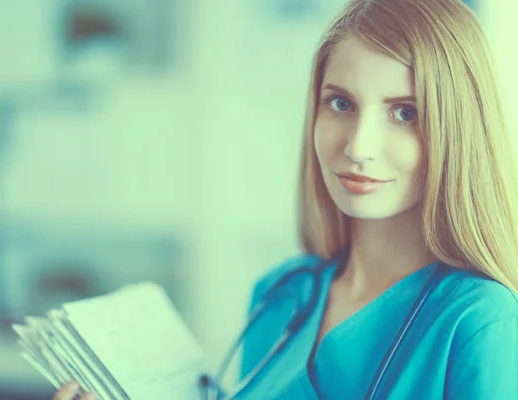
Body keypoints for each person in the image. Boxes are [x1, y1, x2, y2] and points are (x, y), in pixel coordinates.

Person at [53, 0, 518, 398]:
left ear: (458, 131)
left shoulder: (480, 321)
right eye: (340, 103)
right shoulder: (281, 292)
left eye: (404, 113)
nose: (358, 146)